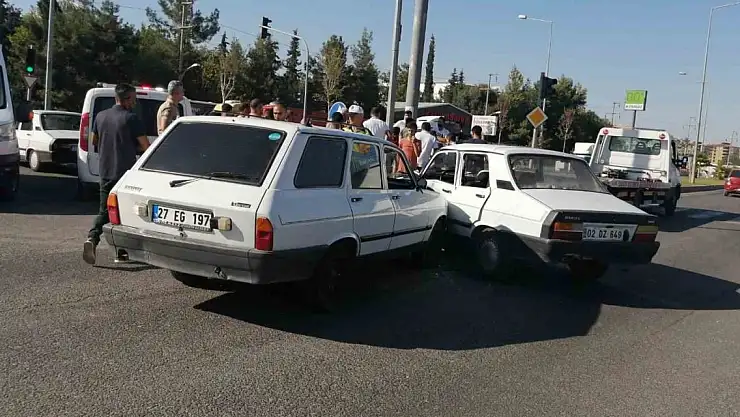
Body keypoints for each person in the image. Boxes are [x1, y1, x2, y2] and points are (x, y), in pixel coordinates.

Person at [83, 83, 149, 265]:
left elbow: (94, 141)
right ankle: (118, 250)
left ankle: (96, 240)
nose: (135, 102)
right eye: (133, 99)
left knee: (105, 210)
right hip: (125, 174)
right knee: (125, 214)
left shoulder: (100, 116)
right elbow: (145, 146)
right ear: (126, 99)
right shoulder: (131, 118)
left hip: (105, 170)